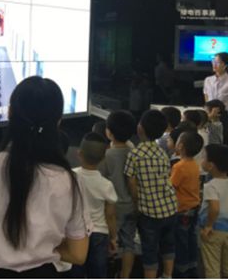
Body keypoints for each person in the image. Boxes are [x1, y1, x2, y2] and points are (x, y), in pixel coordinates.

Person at [0, 77, 91, 278]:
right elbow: (78, 254)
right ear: (58, 121)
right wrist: (46, 249)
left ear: (10, 112)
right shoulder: (70, 181)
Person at [125, 110, 178, 279]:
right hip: (170, 207)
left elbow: (131, 182)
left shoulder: (135, 154)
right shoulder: (162, 152)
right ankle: (167, 275)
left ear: (140, 128)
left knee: (150, 250)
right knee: (168, 245)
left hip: (150, 212)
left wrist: (136, 203)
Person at [73, 132, 117, 279]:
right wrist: (113, 237)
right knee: (98, 273)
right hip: (99, 233)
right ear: (103, 158)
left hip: (76, 231)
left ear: (79, 153)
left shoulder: (71, 176)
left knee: (76, 271)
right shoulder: (106, 185)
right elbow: (110, 215)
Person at [99, 110, 138, 279]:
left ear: (109, 132)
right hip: (131, 205)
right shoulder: (134, 152)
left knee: (110, 241)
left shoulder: (106, 156)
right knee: (129, 244)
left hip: (112, 209)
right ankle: (125, 276)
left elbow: (100, 180)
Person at [199, 145, 228, 279]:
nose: (201, 160)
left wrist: (208, 226)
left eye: (203, 157)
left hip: (213, 231)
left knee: (212, 267)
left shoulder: (211, 186)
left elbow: (215, 208)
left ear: (210, 165)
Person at [171, 131, 204, 278]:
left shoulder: (179, 167)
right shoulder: (194, 165)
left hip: (182, 209)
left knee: (181, 239)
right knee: (191, 237)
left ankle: (181, 267)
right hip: (194, 206)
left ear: (181, 146)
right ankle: (192, 263)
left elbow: (171, 185)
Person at [203, 52, 228, 146]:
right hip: (210, 114)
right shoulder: (208, 80)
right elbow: (206, 99)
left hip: (225, 115)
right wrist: (208, 114)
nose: (214, 64)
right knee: (209, 140)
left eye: (217, 62)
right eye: (213, 61)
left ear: (225, 65)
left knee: (224, 140)